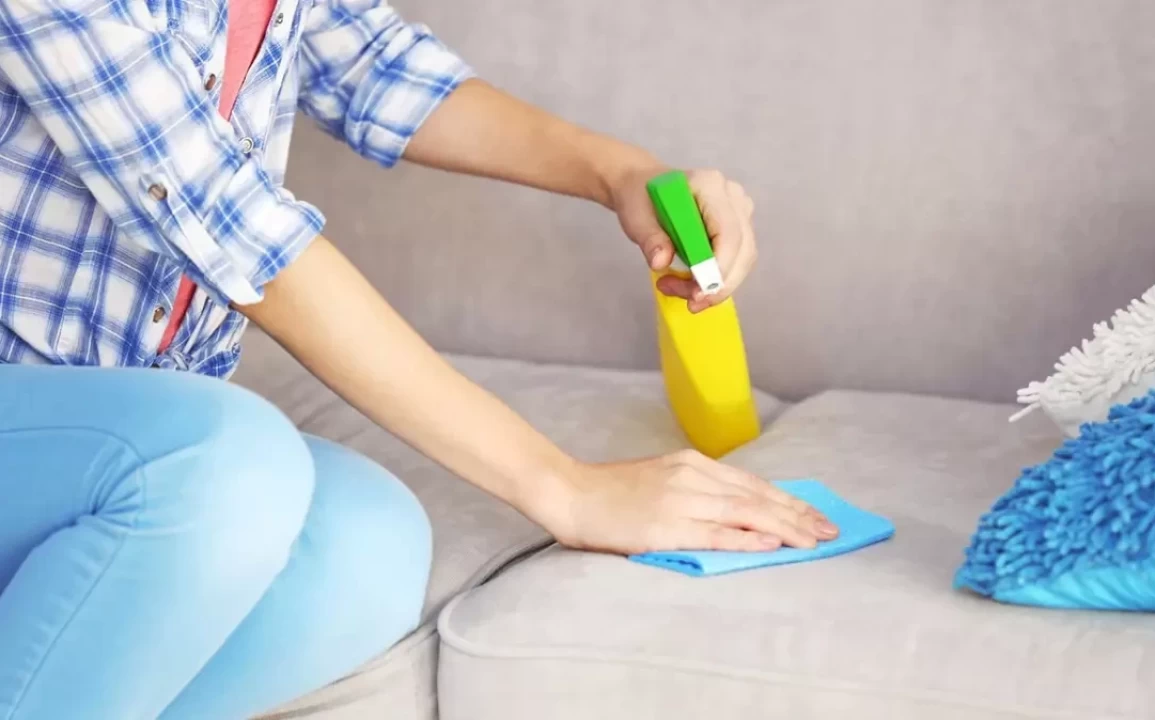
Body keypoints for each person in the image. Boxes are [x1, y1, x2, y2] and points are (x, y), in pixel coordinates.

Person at [0, 0, 839, 717]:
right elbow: (229, 221)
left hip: (107, 413)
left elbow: (373, 64)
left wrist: (622, 172)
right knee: (222, 466)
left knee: (366, 549)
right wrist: (566, 487)